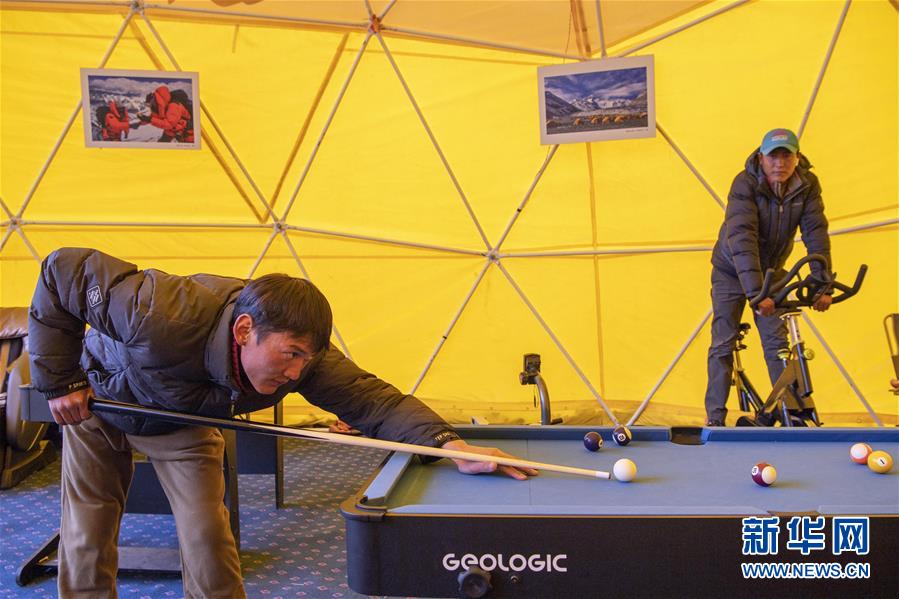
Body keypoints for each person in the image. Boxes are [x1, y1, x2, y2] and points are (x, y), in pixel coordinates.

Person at [29, 247, 537, 598]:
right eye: (289, 354)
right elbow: (61, 271)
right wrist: (60, 381)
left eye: (305, 360)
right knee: (88, 528)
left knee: (207, 534)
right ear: (244, 330)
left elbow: (372, 401)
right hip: (96, 398)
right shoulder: (160, 312)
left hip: (182, 417)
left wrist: (450, 445)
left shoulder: (304, 360)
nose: (296, 374)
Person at [704, 128, 832, 426]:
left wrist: (822, 284)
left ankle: (790, 413)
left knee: (777, 343)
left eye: (787, 156)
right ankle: (715, 419)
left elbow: (816, 233)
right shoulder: (745, 183)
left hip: (772, 271)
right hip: (731, 270)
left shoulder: (807, 185)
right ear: (761, 158)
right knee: (723, 340)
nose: (780, 163)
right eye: (773, 156)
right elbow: (742, 238)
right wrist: (756, 294)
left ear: (797, 158)